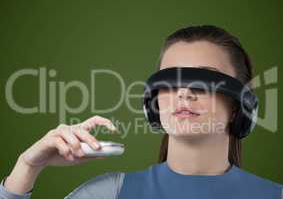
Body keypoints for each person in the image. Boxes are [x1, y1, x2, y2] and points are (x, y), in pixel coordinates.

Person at [1, 25, 282, 199]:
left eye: (206, 79)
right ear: (155, 102)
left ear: (238, 105)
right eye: (171, 80)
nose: (184, 92)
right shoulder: (109, 194)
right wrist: (27, 168)